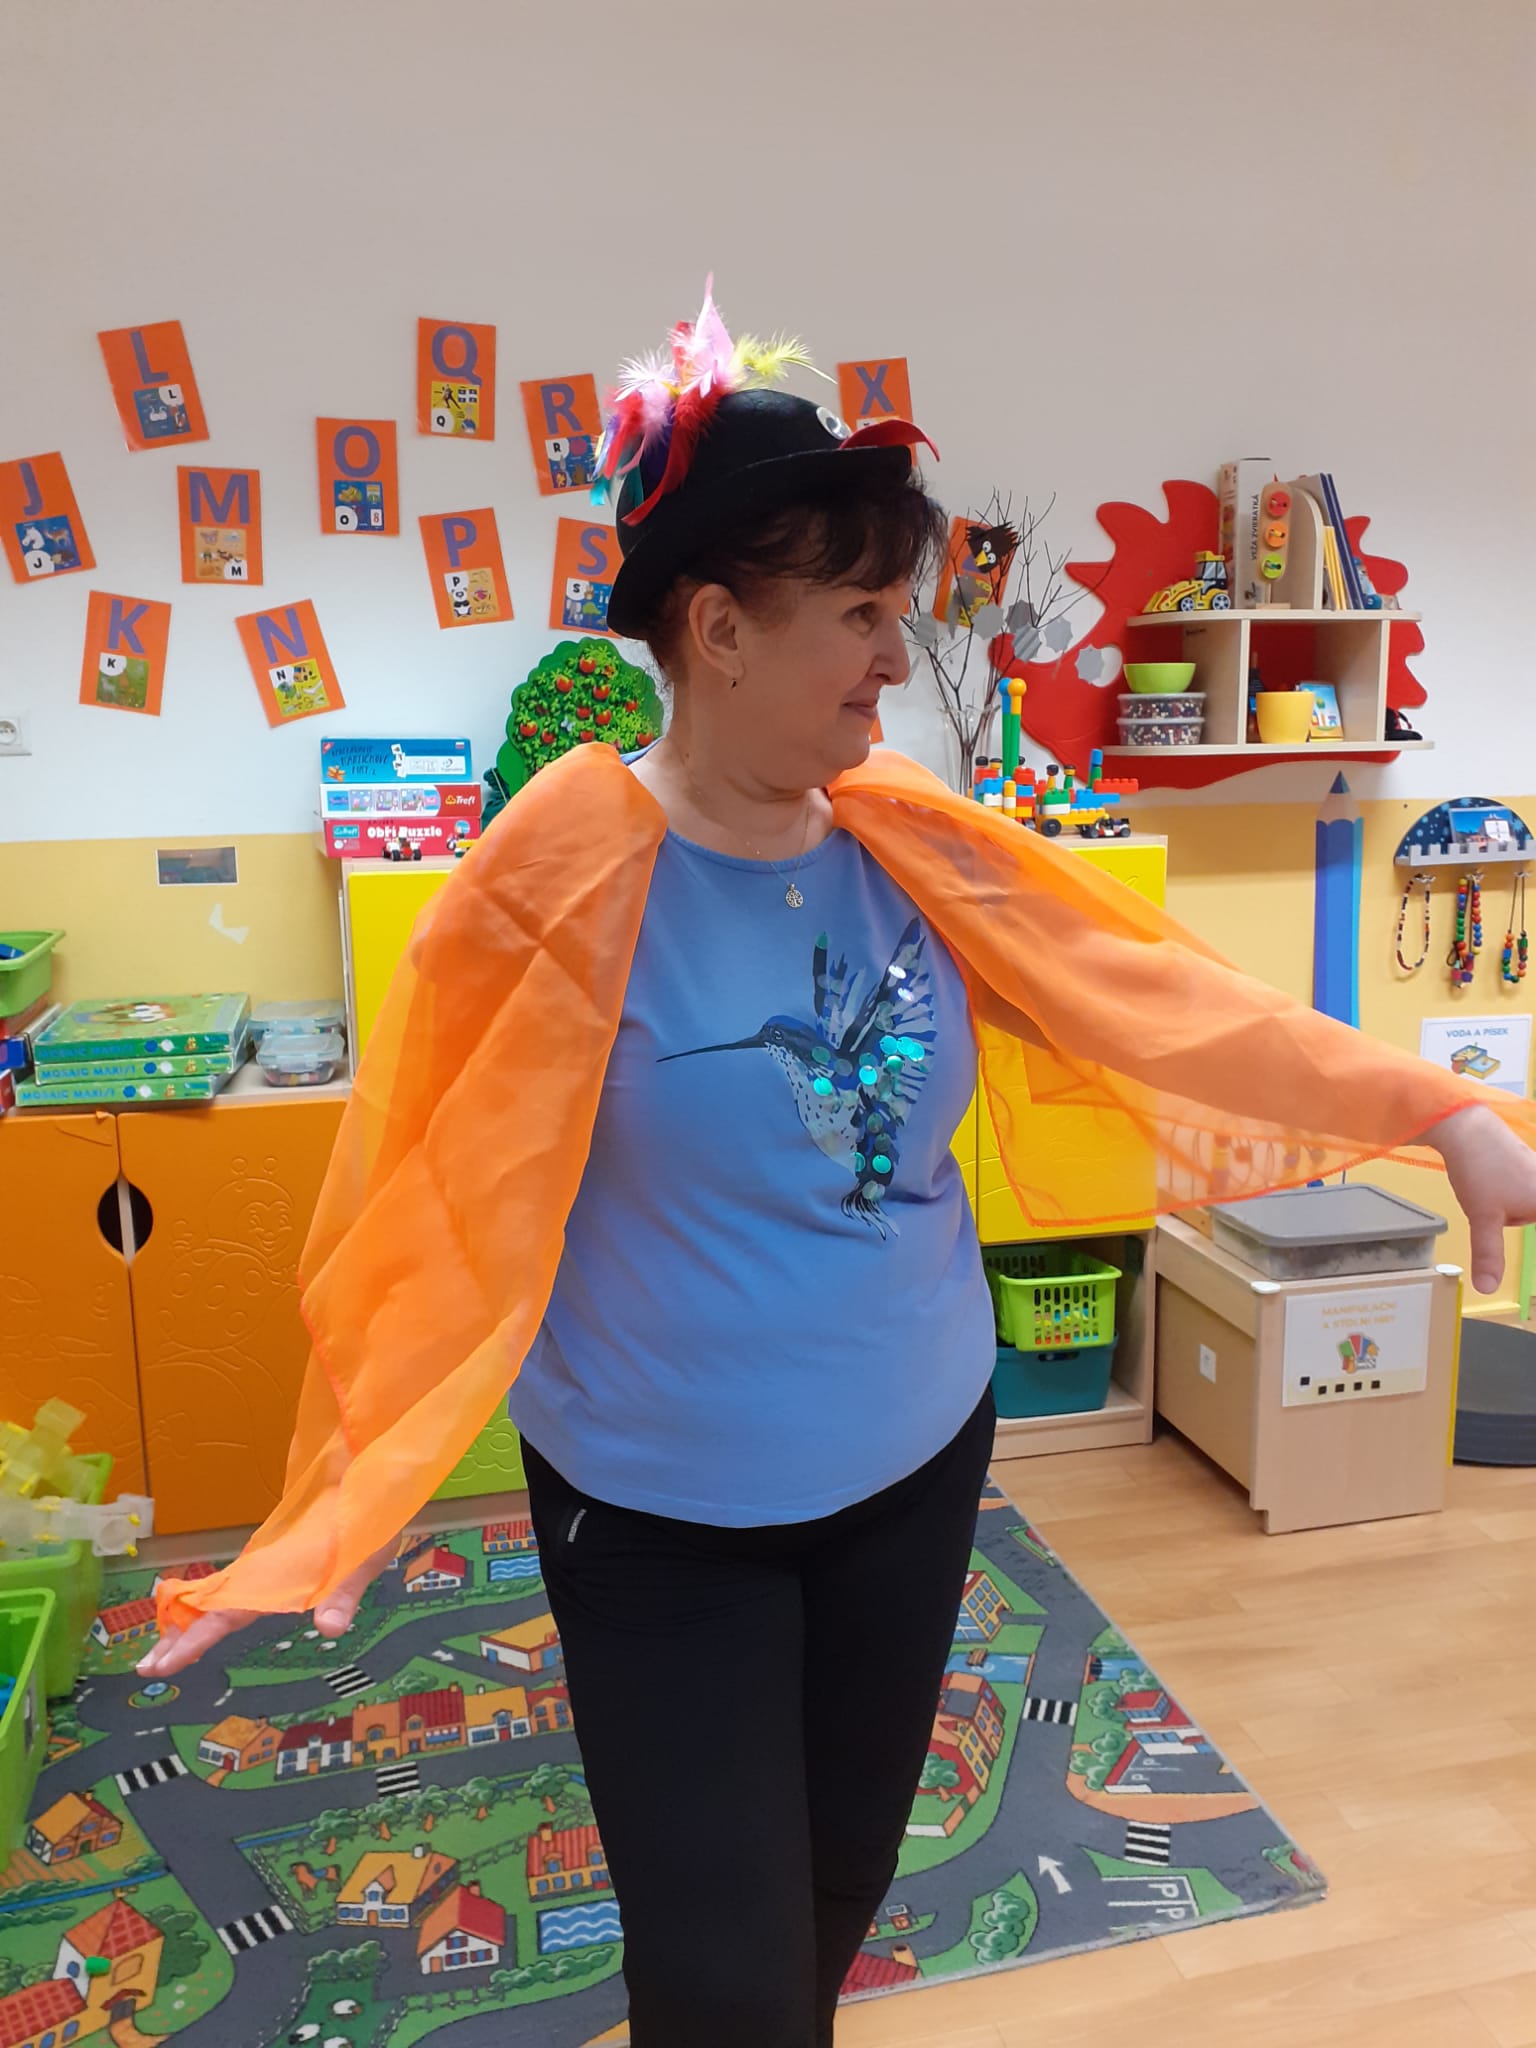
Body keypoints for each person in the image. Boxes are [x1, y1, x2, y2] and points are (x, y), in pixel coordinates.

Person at [139, 286, 1536, 2048]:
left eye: (899, 612)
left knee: (834, 1890)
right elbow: (427, 1188)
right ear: (720, 628)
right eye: (862, 615)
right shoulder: (555, 872)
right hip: (658, 1510)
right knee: (718, 1971)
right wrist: (357, 1483)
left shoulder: (910, 841)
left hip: (912, 1463)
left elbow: (1165, 1002)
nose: (896, 657)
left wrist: (1438, 1107)